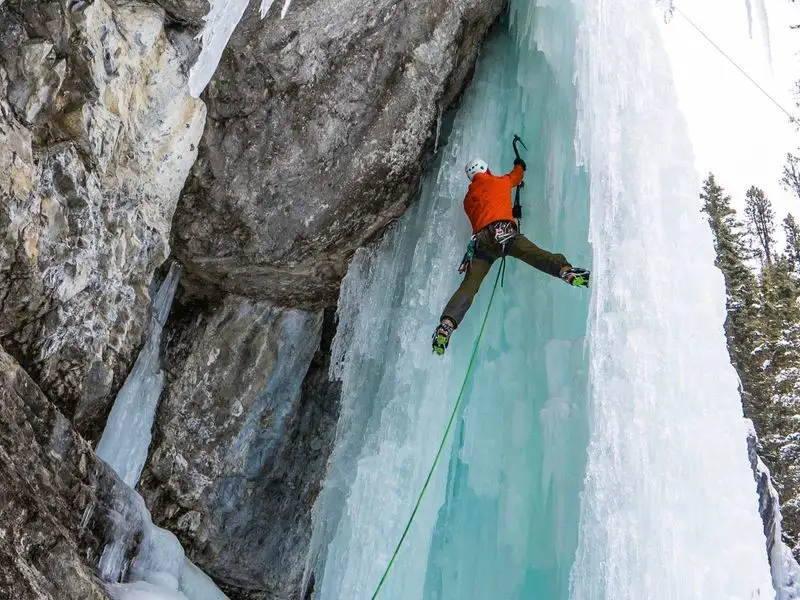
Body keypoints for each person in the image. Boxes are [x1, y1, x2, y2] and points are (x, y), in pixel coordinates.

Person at [432, 156, 590, 355]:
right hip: (503, 233)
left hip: (481, 244)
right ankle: (565, 271)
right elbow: (516, 176)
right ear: (486, 169)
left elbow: (485, 209)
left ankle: (447, 324)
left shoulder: (467, 200)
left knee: (469, 285)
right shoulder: (500, 182)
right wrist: (519, 164)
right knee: (534, 255)